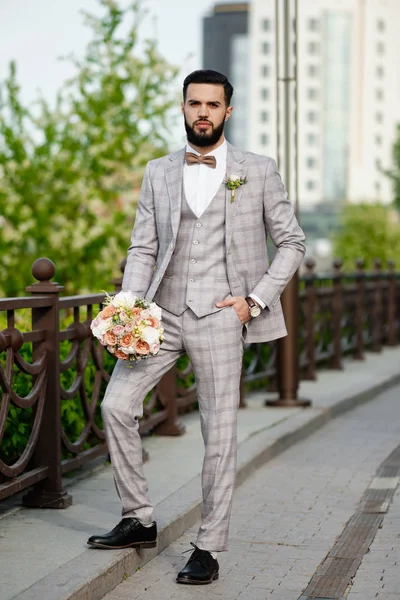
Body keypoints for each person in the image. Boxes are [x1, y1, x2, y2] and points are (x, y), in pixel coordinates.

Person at [87, 69, 306, 585]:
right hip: (160, 316)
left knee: (218, 435)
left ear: (228, 111)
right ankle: (138, 518)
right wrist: (129, 307)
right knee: (115, 405)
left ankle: (208, 546)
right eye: (194, 103)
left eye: (213, 104)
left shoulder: (258, 169)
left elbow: (292, 242)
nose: (202, 112)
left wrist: (253, 301)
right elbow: (143, 246)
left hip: (220, 318)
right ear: (182, 108)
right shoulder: (158, 171)